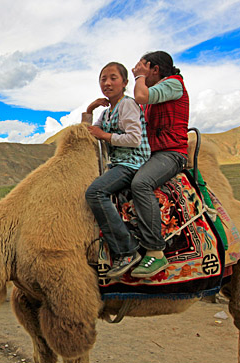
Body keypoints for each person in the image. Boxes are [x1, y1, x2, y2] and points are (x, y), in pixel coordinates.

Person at [84, 62, 151, 278]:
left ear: (124, 82)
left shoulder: (127, 105)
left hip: (132, 164)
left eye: (113, 78)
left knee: (95, 192)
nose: (107, 83)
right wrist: (89, 110)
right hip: (117, 164)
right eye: (103, 79)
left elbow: (134, 138)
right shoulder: (108, 112)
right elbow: (89, 132)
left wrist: (104, 136)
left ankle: (127, 250)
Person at [130, 51, 189, 278]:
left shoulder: (173, 85)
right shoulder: (154, 94)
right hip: (151, 154)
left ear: (155, 69)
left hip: (171, 153)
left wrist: (138, 78)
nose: (138, 71)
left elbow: (142, 96)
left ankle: (155, 251)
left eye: (143, 68)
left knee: (142, 184)